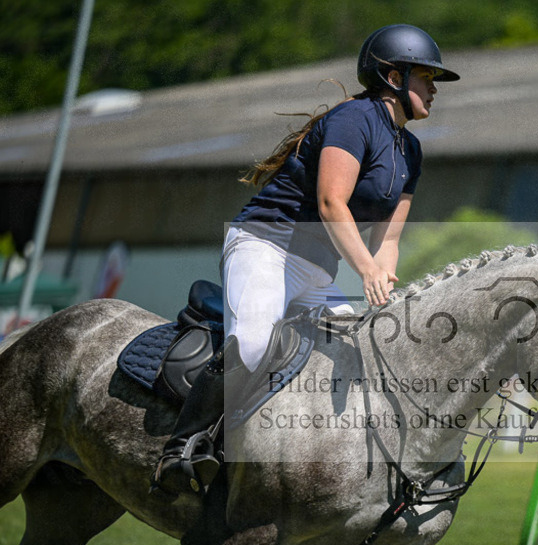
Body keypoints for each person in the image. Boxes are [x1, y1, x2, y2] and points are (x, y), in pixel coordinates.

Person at [151, 24, 459, 496]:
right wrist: (366, 270)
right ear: (394, 77)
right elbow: (331, 203)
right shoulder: (353, 120)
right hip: (265, 247)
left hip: (316, 271)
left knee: (365, 355)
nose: (434, 89)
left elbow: (389, 237)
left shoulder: (410, 150)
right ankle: (183, 448)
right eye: (427, 77)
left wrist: (384, 276)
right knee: (253, 343)